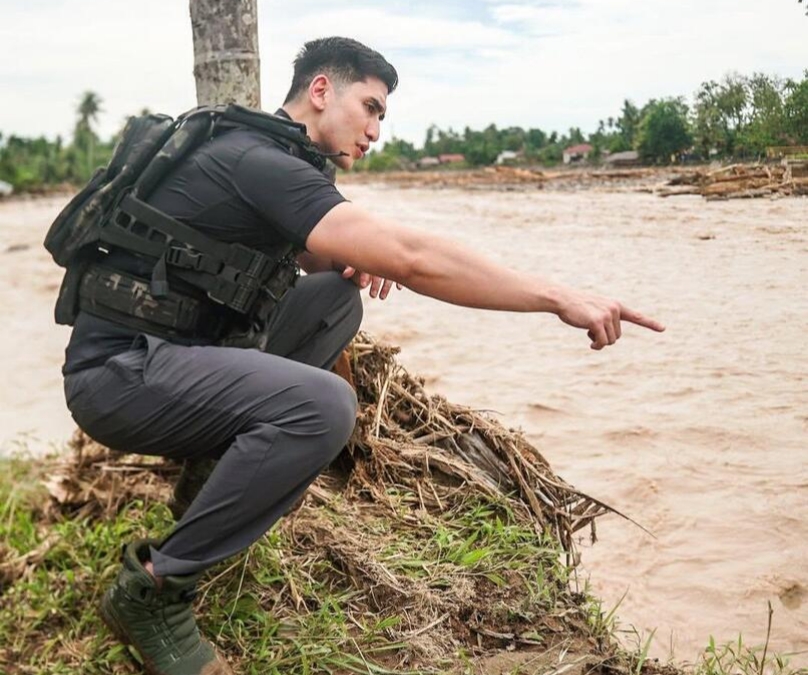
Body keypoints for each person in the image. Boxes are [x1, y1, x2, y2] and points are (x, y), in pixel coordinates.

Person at [59, 36, 664, 675]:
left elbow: (276, 259)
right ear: (321, 91)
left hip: (176, 355)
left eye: (382, 116)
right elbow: (413, 259)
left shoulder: (268, 155)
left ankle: (210, 489)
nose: (375, 130)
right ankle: (155, 591)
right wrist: (557, 297)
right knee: (323, 406)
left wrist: (343, 256)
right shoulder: (258, 161)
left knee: (334, 299)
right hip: (120, 376)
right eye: (370, 108)